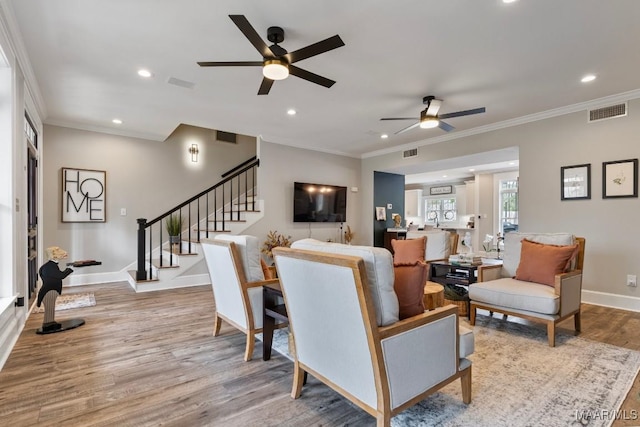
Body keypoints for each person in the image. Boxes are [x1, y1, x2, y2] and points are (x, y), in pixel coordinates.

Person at [37, 246, 74, 332]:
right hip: (49, 292)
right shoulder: (49, 267)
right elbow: (60, 276)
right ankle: (48, 324)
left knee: (50, 308)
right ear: (53, 255)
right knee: (49, 308)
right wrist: (71, 269)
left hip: (51, 291)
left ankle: (50, 322)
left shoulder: (50, 266)